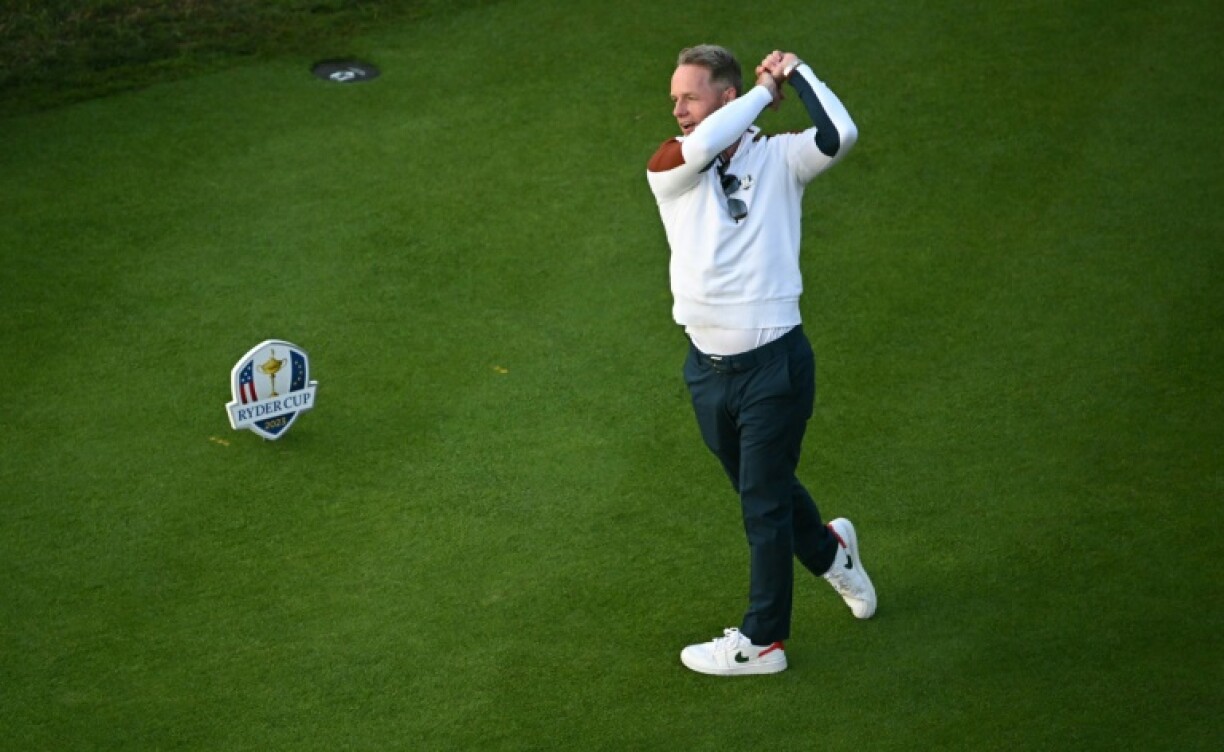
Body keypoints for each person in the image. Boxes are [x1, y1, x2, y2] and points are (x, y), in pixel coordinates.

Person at [645, 45, 877, 676]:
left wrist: (795, 75)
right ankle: (833, 555)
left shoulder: (779, 159)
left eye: (689, 97)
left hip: (775, 366)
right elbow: (705, 143)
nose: (678, 110)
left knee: (763, 505)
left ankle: (763, 640)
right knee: (765, 491)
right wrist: (760, 94)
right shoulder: (669, 166)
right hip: (707, 372)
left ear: (722, 97)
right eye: (674, 99)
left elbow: (842, 133)